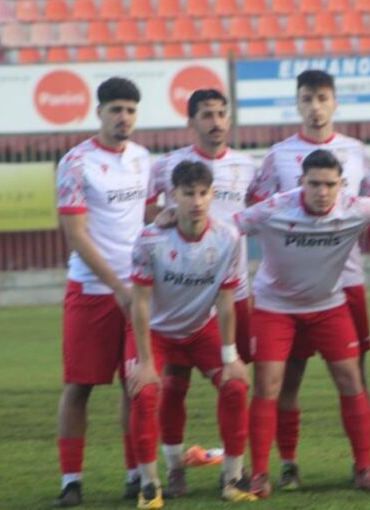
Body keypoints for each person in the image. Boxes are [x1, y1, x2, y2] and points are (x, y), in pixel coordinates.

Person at [236, 149, 370, 498]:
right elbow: (228, 226)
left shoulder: (355, 208)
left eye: (330, 184)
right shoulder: (273, 208)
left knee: (351, 379)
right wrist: (171, 218)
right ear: (301, 182)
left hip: (328, 305)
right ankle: (259, 474)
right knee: (268, 386)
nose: (322, 191)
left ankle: (364, 468)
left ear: (342, 184)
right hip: (275, 308)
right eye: (314, 184)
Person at [245, 69, 370, 489]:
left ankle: (363, 465)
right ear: (298, 103)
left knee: (354, 375)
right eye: (307, 98)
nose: (315, 106)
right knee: (287, 378)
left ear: (334, 102)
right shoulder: (279, 156)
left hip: (345, 282)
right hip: (287, 288)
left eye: (322, 98)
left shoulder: (355, 151)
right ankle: (285, 464)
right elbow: (258, 210)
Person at [144, 89, 258, 496]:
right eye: (207, 115)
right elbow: (147, 211)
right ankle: (173, 469)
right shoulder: (167, 165)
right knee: (174, 385)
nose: (216, 122)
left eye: (222, 113)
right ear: (191, 121)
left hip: (232, 291)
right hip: (180, 292)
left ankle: (241, 468)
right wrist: (163, 215)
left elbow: (259, 211)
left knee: (238, 378)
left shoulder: (247, 165)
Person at [127, 161, 255, 508]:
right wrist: (146, 363)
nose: (197, 201)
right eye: (188, 194)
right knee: (145, 392)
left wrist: (230, 357)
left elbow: (226, 302)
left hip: (200, 330)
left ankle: (232, 478)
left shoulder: (228, 238)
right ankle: (151, 484)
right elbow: (140, 303)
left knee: (235, 385)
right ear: (173, 196)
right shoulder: (150, 238)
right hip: (155, 332)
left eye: (203, 193)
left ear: (213, 194)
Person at [54, 77, 151, 507]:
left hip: (137, 294)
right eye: (115, 109)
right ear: (99, 113)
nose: (123, 117)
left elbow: (147, 214)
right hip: (92, 291)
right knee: (80, 386)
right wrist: (117, 287)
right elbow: (76, 235)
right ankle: (71, 481)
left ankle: (135, 475)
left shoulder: (142, 159)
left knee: (135, 385)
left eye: (130, 109)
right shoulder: (76, 163)